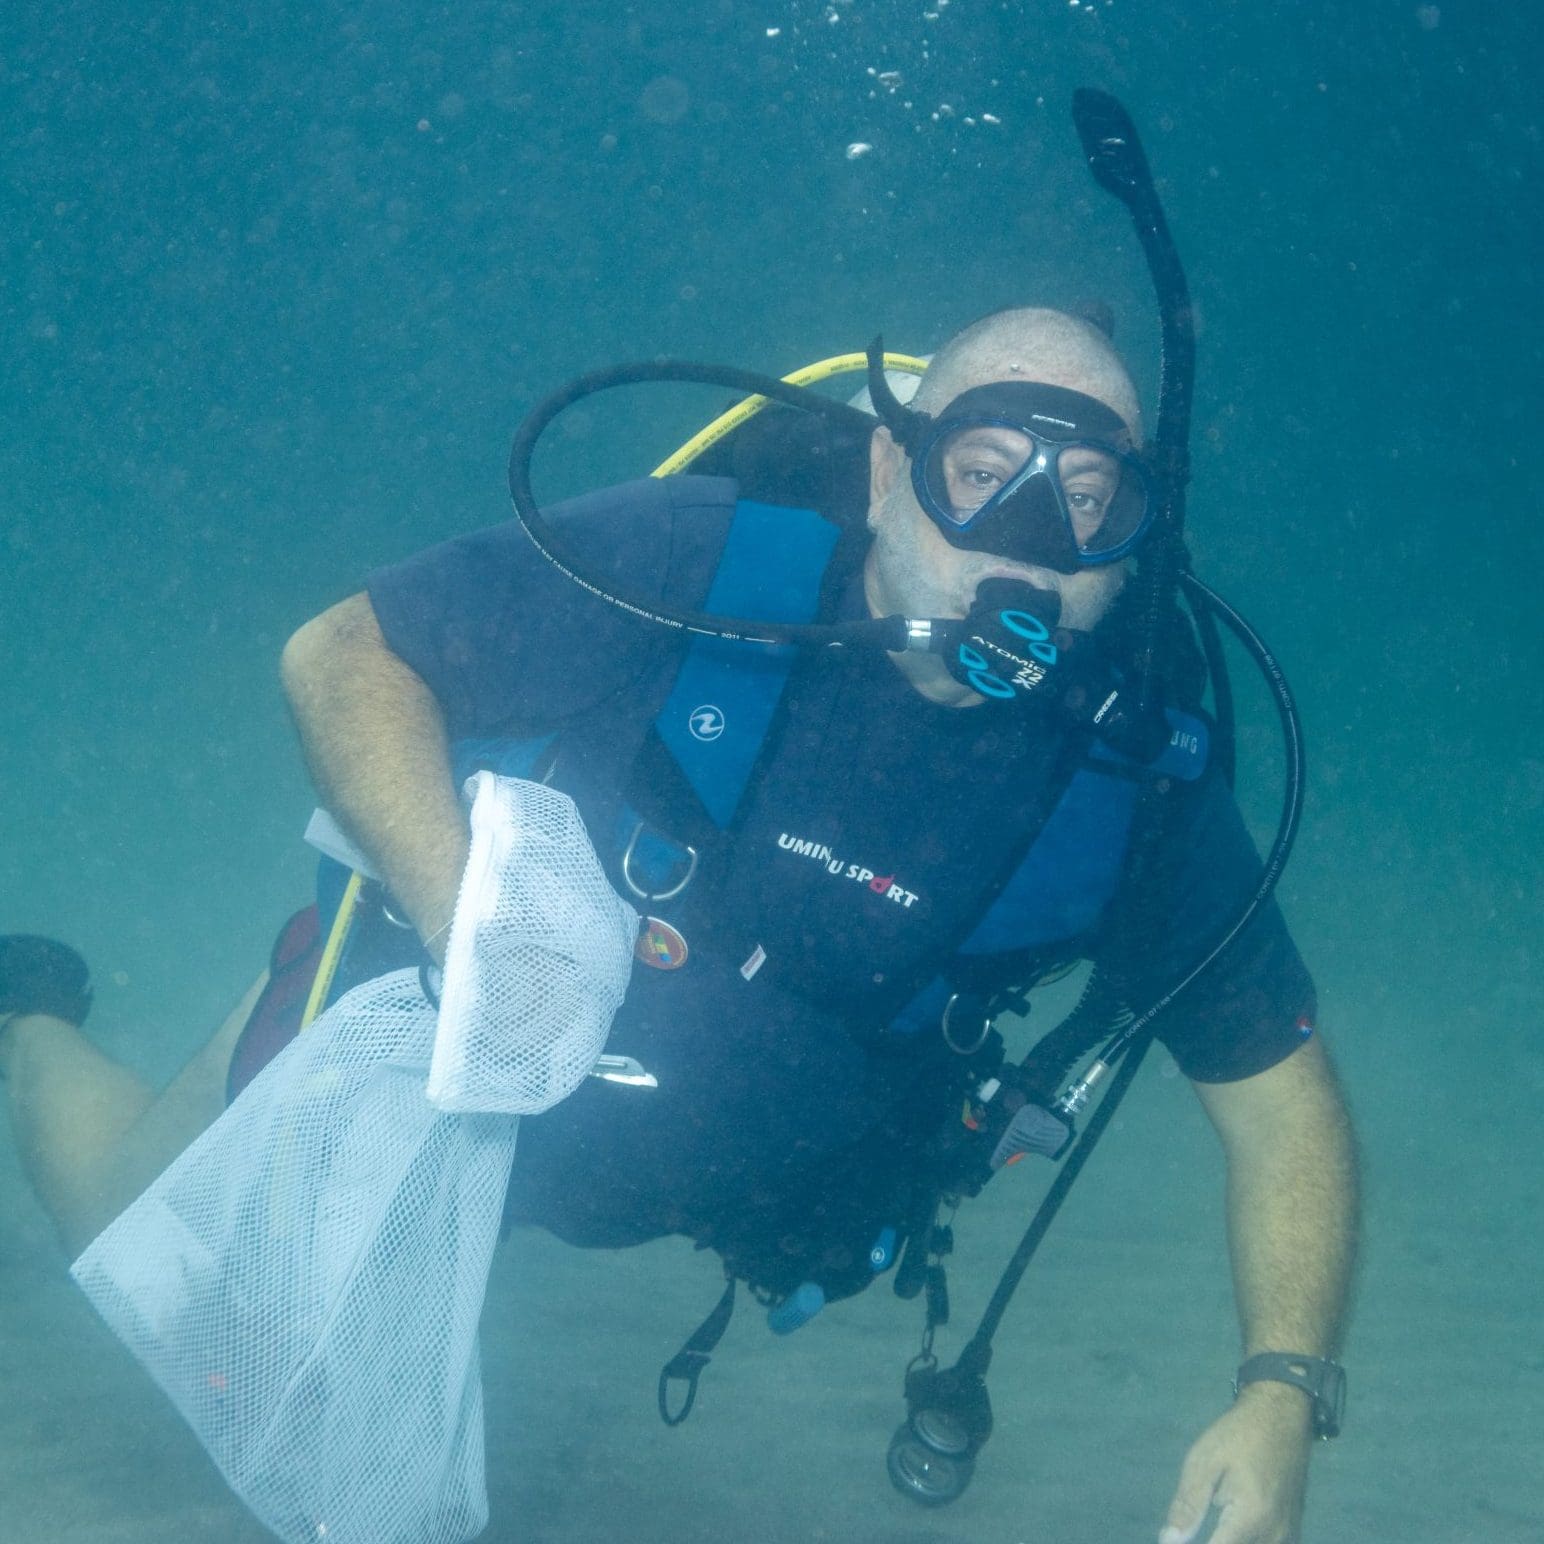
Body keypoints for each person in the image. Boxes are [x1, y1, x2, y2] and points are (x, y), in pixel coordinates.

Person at [1, 307, 1357, 1544]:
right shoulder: (702, 562)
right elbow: (342, 654)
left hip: (710, 1185)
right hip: (439, 1062)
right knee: (136, 1233)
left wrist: (1283, 1392)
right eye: (981, 470)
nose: (1027, 542)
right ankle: (27, 1016)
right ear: (889, 476)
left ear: (1129, 555)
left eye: (1082, 499)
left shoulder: (1131, 794)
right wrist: (470, 936)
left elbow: (1282, 1101)